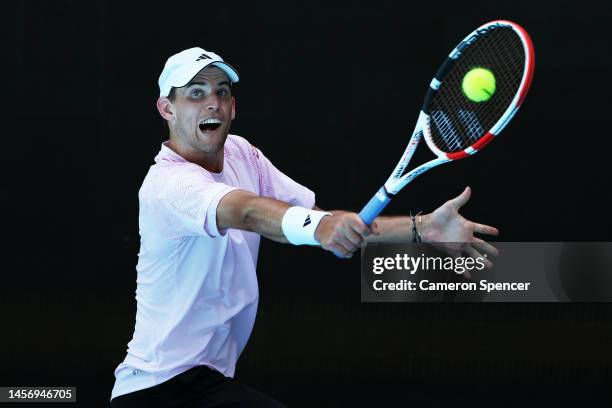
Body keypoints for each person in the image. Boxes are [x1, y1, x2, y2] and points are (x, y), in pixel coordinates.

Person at [110, 47, 499, 407]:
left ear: (233, 107)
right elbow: (247, 212)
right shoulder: (168, 185)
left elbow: (317, 217)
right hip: (160, 390)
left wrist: (420, 228)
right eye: (195, 92)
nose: (213, 101)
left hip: (205, 382)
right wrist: (320, 229)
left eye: (222, 91)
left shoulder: (243, 155)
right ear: (167, 109)